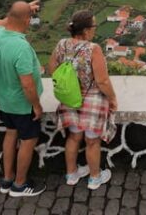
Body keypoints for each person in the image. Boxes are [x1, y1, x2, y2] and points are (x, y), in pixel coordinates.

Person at [47, 10, 118, 190]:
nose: (95, 29)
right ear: (86, 30)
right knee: (92, 141)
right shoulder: (93, 49)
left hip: (70, 98)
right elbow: (102, 80)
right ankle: (95, 178)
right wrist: (112, 99)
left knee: (73, 137)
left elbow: (52, 69)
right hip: (92, 99)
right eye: (94, 26)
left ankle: (71, 174)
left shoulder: (61, 44)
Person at [0, 0, 46, 197]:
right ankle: (20, 184)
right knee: (28, 140)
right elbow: (27, 84)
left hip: (4, 100)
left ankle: (7, 178)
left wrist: (21, 10)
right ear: (27, 20)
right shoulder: (20, 47)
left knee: (10, 134)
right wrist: (36, 106)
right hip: (22, 105)